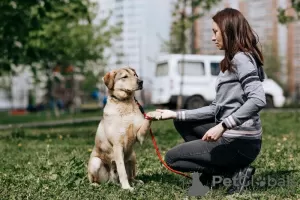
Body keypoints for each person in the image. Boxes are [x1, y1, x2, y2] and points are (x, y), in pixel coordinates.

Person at [150, 8, 266, 194]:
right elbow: (215, 109)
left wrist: (222, 126)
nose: (213, 38)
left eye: (215, 32)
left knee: (172, 159)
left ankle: (234, 172)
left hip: (240, 142)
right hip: (238, 139)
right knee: (182, 121)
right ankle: (221, 169)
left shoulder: (241, 59)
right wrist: (174, 113)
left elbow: (258, 99)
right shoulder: (231, 60)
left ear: (228, 31)